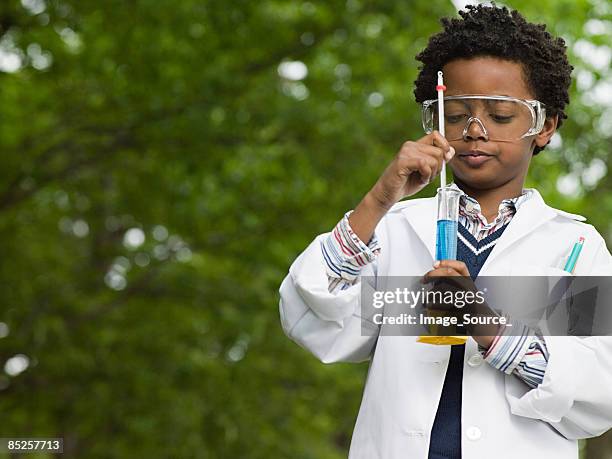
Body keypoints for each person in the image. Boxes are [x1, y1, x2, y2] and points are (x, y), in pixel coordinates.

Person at [278, 4, 612, 459]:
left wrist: (490, 329)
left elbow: (601, 387)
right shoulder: (394, 230)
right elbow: (313, 321)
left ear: (544, 126)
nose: (474, 131)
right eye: (455, 115)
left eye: (499, 115)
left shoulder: (574, 247)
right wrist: (380, 198)